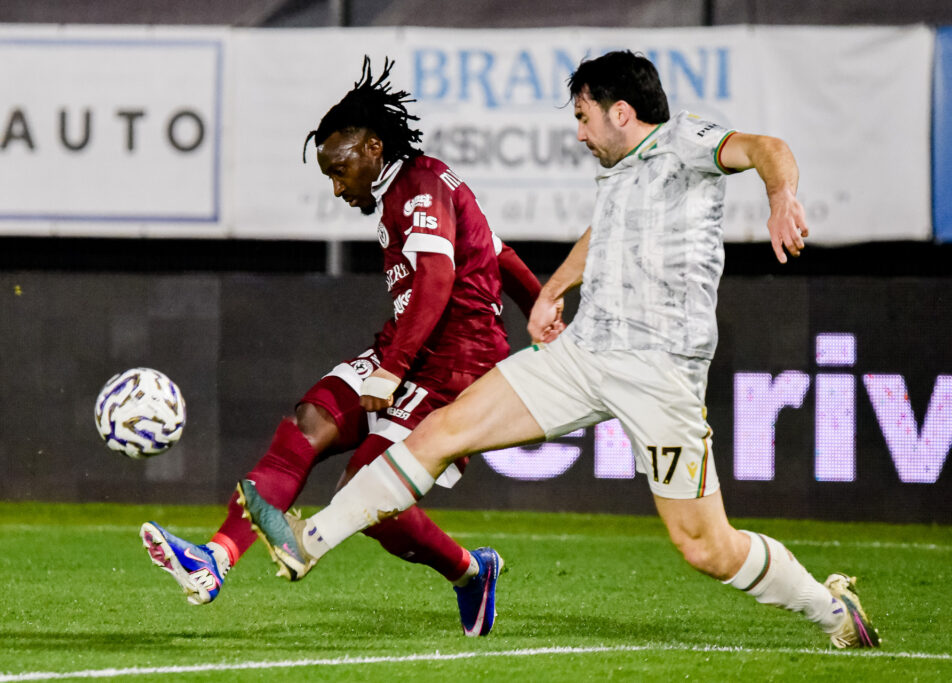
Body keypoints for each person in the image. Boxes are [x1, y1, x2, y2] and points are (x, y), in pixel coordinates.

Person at [240, 50, 880, 649]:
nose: (578, 133)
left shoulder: (684, 141)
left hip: (659, 371)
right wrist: (553, 289)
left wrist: (780, 196)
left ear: (620, 112)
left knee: (705, 547)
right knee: (441, 430)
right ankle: (309, 540)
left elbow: (769, 149)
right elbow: (604, 232)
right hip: (585, 355)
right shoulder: (620, 175)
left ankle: (830, 609)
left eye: (582, 116)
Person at [140, 56, 541, 638]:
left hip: (454, 363)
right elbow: (498, 251)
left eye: (340, 169)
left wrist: (393, 369)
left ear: (374, 148)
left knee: (365, 490)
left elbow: (436, 279)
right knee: (310, 421)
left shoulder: (420, 185)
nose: (336, 186)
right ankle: (215, 558)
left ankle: (470, 571)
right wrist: (542, 307)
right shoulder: (416, 186)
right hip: (409, 347)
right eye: (329, 175)